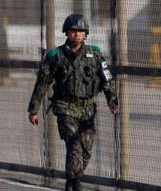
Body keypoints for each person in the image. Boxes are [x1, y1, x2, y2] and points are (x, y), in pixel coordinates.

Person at [27, 14, 118, 191]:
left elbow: (107, 79)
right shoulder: (56, 56)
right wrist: (34, 109)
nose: (77, 34)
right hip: (65, 107)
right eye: (73, 31)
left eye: (80, 31)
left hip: (87, 109)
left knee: (86, 147)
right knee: (74, 143)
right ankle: (75, 185)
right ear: (66, 33)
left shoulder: (95, 54)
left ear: (86, 34)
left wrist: (111, 99)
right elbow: (42, 82)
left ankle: (71, 180)